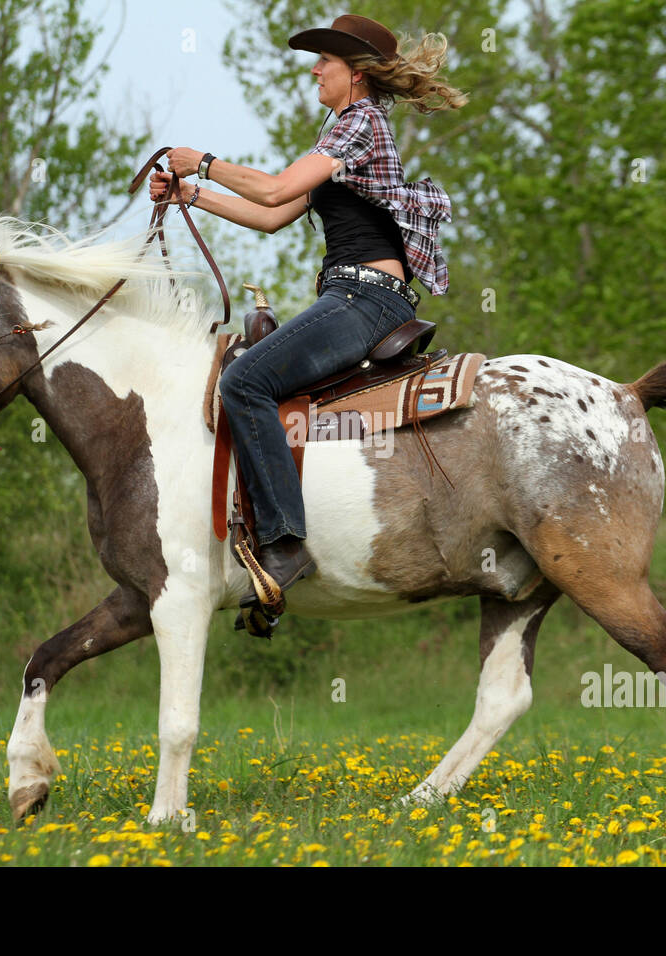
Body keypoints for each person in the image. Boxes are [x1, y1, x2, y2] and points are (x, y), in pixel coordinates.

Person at [150, 13, 468, 615]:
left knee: (244, 380)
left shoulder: (361, 123)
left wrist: (203, 162)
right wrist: (192, 195)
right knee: (252, 377)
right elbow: (274, 214)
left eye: (326, 61)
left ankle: (283, 543)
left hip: (364, 298)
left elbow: (271, 191)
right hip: (354, 296)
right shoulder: (345, 127)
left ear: (358, 75)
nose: (315, 70)